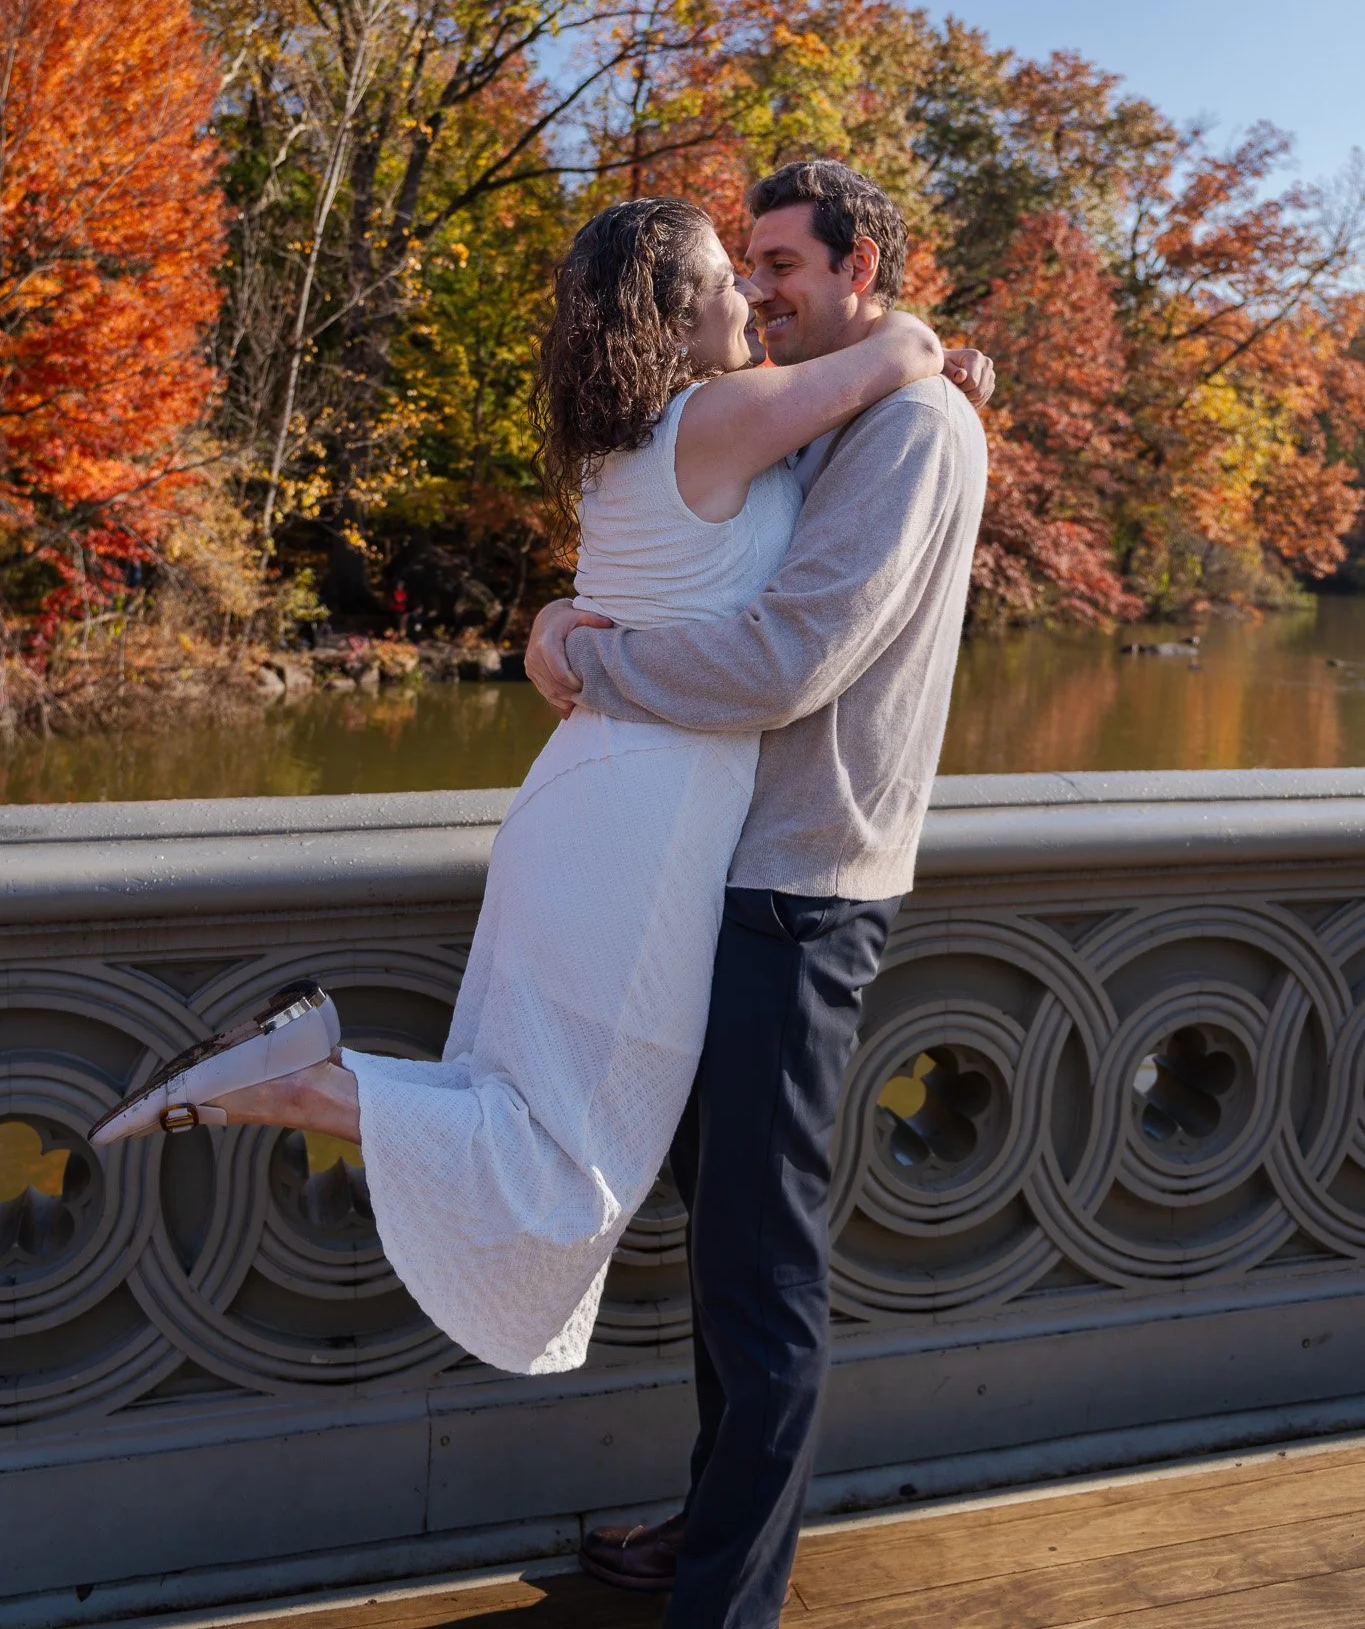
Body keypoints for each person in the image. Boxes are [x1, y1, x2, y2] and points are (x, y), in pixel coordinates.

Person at [88, 190, 989, 1390]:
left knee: (519, 1093)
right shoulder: (720, 417)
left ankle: (303, 1072)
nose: (746, 298)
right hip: (656, 817)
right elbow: (905, 353)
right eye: (730, 276)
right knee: (577, 1153)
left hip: (583, 793)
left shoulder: (630, 437)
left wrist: (560, 633)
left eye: (763, 267)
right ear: (676, 317)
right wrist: (937, 348)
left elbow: (855, 420)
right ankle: (301, 1085)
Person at [525, 159, 990, 1628]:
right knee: (720, 1235)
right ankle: (715, 1526)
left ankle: (728, 1602)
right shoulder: (842, 404)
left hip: (805, 885)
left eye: (784, 264)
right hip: (723, 872)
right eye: (755, 266)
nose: (763, 291)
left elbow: (786, 662)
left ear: (863, 266)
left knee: (761, 1269)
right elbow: (700, 554)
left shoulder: (910, 429)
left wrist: (583, 663)